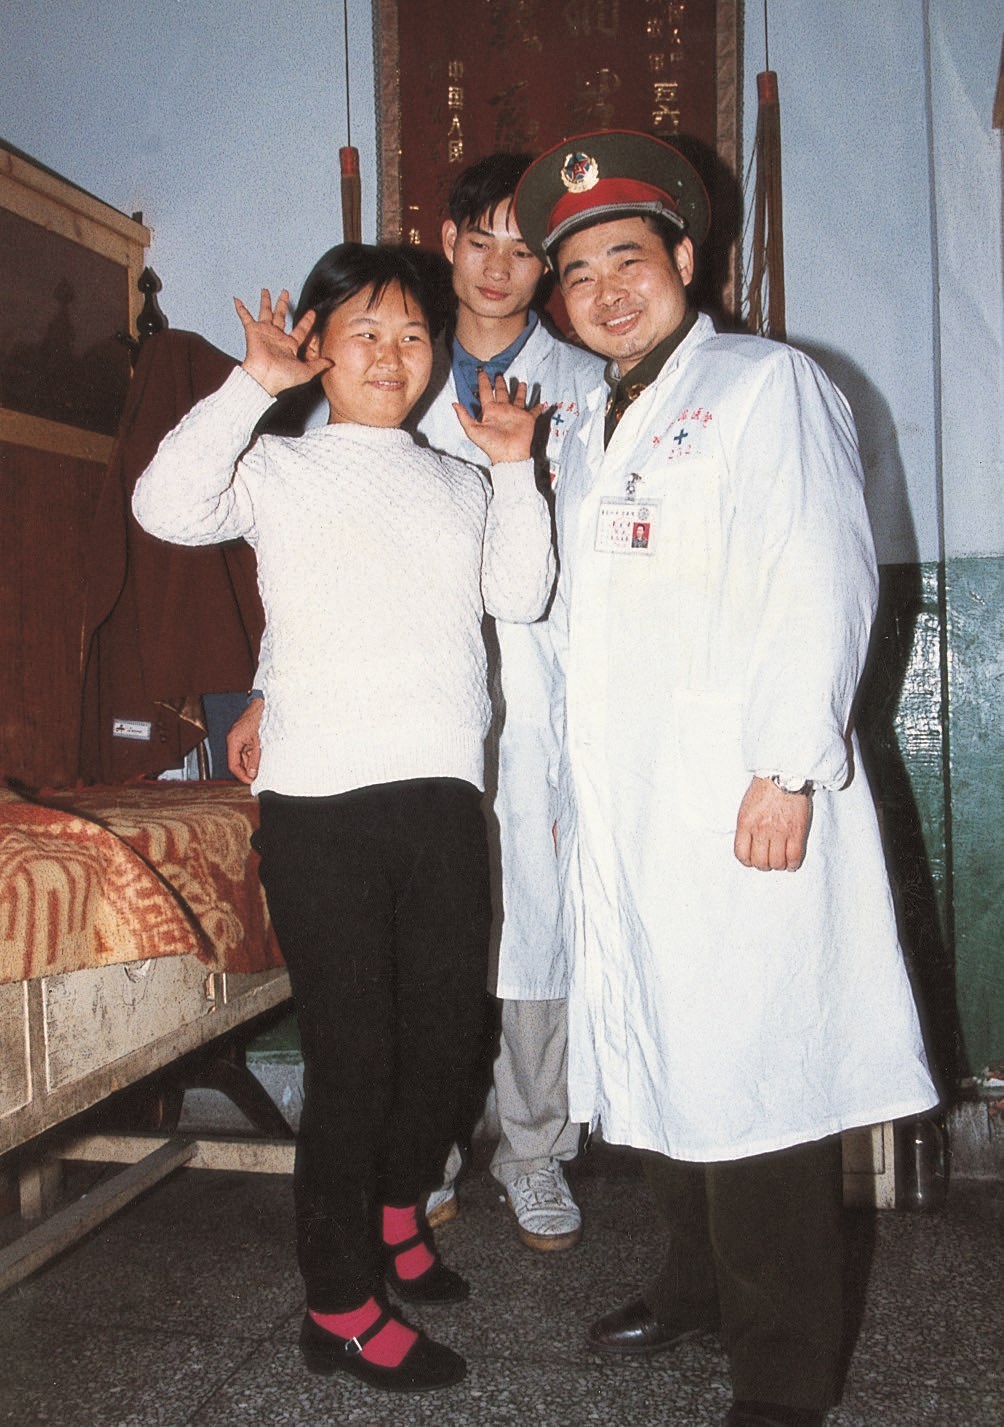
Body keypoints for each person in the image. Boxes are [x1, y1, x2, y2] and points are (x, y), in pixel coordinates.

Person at [511, 132, 938, 1427]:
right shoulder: (585, 423)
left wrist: (787, 764)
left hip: (742, 794)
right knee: (660, 1060)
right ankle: (694, 1284)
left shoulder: (764, 387)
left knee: (754, 1083)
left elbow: (819, 574)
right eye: (577, 274)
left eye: (627, 258)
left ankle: (783, 1378)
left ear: (685, 258)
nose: (605, 292)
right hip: (630, 809)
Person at [132, 243, 554, 1395]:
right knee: (355, 1056)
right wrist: (250, 386)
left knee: (448, 1043)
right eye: (363, 331)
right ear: (316, 345)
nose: (390, 354)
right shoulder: (275, 465)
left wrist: (513, 467)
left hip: (440, 795)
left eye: (412, 334)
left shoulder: (459, 480)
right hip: (318, 803)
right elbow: (164, 505)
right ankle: (339, 1302)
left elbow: (519, 594)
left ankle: (395, 1211)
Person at [228, 154, 604, 1254]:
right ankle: (416, 1167)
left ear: (548, 262)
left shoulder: (581, 381)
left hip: (536, 687)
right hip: (386, 724)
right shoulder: (386, 372)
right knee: (411, 970)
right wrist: (267, 687)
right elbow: (322, 571)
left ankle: (535, 1150)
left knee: (533, 926)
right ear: (447, 242)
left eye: (524, 249)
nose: (498, 268)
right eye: (479, 241)